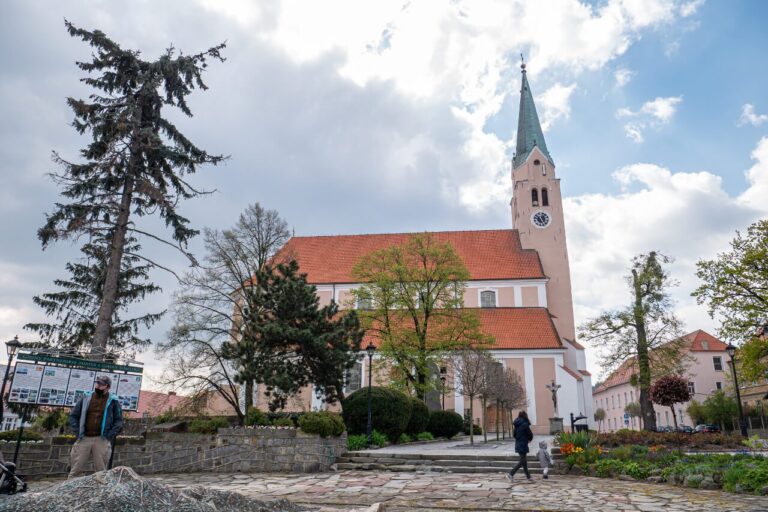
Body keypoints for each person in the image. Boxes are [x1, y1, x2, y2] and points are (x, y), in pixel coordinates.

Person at [67, 375, 123, 479]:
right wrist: (78, 432)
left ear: (108, 387)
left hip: (101, 439)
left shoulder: (113, 401)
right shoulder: (86, 397)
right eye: (97, 383)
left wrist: (109, 435)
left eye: (101, 385)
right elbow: (73, 416)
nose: (98, 386)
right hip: (84, 438)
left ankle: (100, 492)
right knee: (76, 469)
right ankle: (70, 491)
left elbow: (119, 421)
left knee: (101, 472)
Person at [506, 410, 534, 483]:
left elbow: (514, 435)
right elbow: (530, 434)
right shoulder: (525, 424)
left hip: (518, 443)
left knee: (524, 462)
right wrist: (529, 439)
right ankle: (510, 474)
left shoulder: (516, 424)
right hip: (523, 444)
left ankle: (528, 477)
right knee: (522, 461)